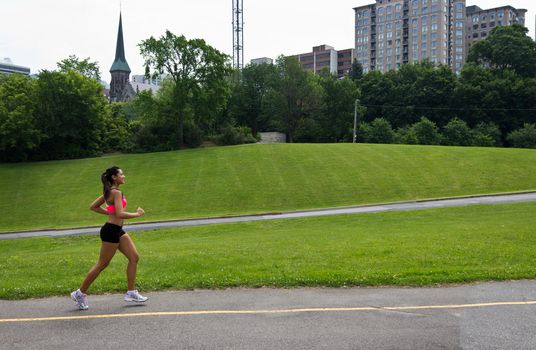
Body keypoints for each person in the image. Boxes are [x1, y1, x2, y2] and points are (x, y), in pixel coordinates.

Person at [71, 166, 147, 310]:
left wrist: (110, 212)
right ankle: (79, 293)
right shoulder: (116, 192)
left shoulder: (109, 192)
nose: (124, 176)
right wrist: (137, 214)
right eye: (121, 174)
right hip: (111, 231)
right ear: (114, 177)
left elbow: (94, 206)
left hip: (117, 230)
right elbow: (119, 214)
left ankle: (131, 292)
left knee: (134, 257)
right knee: (102, 264)